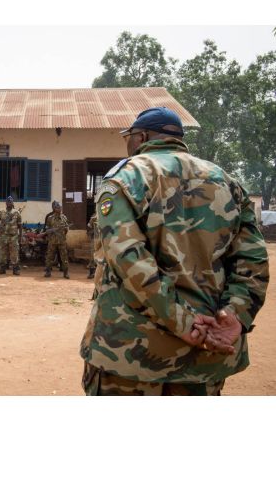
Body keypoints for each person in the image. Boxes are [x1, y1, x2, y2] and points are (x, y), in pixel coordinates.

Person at [80, 107, 270, 396]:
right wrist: (235, 316)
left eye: (128, 137)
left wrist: (183, 322)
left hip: (132, 354)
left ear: (141, 137)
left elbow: (129, 260)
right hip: (207, 355)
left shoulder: (125, 178)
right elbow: (253, 262)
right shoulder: (227, 182)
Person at [0, 196, 22, 275]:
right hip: (3, 236)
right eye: (8, 201)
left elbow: (20, 225)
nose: (9, 203)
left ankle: (15, 269)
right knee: (2, 253)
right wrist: (0, 227)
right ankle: (2, 268)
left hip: (13, 236)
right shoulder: (1, 212)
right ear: (6, 203)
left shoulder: (16, 212)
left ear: (13, 203)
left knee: (14, 253)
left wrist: (20, 236)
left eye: (11, 202)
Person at [43, 201, 70, 279]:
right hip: (52, 241)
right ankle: (48, 271)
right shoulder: (50, 218)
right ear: (55, 209)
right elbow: (47, 229)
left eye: (60, 207)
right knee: (49, 257)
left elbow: (67, 229)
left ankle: (66, 272)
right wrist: (52, 231)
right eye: (58, 208)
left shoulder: (64, 217)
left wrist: (64, 230)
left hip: (62, 241)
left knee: (64, 257)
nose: (60, 209)